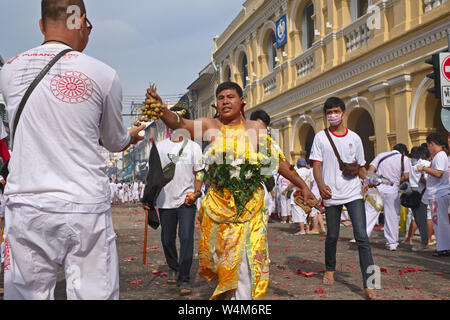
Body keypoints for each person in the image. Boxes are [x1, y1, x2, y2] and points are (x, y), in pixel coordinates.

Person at [0, 0, 145, 300]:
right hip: (84, 207)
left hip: (26, 204)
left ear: (41, 25)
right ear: (80, 21)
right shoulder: (104, 74)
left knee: (27, 294)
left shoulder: (9, 70)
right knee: (94, 293)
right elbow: (115, 141)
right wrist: (130, 136)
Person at [146, 81, 315, 300]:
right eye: (221, 98)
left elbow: (275, 162)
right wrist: (161, 110)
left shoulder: (255, 129)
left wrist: (301, 184)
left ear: (242, 100)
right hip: (220, 211)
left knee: (247, 262)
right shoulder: (209, 127)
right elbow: (181, 123)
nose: (225, 101)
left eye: (230, 97)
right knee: (226, 266)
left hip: (251, 208)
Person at [309, 97, 378, 300]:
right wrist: (320, 185)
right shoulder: (320, 138)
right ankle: (330, 268)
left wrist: (372, 179)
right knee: (332, 236)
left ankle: (371, 284)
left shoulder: (355, 139)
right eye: (329, 112)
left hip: (353, 192)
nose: (333, 115)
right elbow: (316, 165)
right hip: (331, 193)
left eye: (336, 111)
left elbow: (361, 167)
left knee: (362, 237)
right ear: (325, 115)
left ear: (344, 112)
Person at [151, 107, 204, 296]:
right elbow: (153, 175)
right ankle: (173, 266)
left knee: (187, 238)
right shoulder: (160, 146)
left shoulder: (194, 147)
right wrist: (148, 197)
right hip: (164, 201)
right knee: (167, 239)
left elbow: (200, 172)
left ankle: (184, 279)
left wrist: (196, 192)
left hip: (186, 201)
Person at [365, 144, 410, 250]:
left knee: (369, 213)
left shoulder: (381, 155)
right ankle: (392, 243)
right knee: (392, 216)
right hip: (392, 189)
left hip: (377, 187)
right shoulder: (404, 158)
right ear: (403, 152)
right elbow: (406, 176)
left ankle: (362, 238)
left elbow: (370, 170)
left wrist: (372, 181)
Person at [417, 133, 450, 257]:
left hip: (439, 193)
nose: (428, 149)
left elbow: (439, 173)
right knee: (441, 221)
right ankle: (444, 246)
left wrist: (424, 168)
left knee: (439, 222)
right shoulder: (439, 155)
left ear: (431, 144)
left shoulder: (440, 155)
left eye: (428, 146)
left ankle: (443, 248)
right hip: (437, 193)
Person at [405, 146, 430, 251]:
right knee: (420, 220)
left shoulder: (423, 164)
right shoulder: (414, 164)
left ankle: (424, 243)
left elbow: (427, 181)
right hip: (418, 195)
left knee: (421, 220)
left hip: (420, 195)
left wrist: (421, 179)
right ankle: (425, 242)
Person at [285, 158, 313, 235]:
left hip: (297, 194)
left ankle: (302, 230)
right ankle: (307, 229)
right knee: (306, 211)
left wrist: (285, 190)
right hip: (307, 193)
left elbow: (293, 183)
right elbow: (311, 182)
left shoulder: (297, 172)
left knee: (298, 211)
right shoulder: (309, 172)